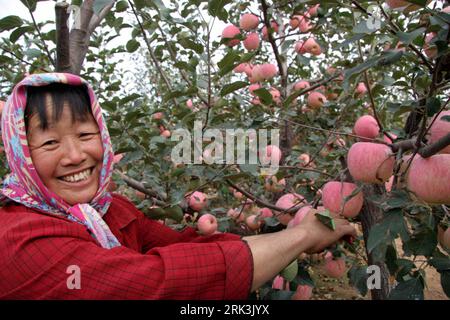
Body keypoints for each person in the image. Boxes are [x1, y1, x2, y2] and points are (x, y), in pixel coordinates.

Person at [0, 73, 355, 299]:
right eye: (49, 144)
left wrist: (292, 234)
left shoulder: (110, 209)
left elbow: (188, 245)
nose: (75, 155)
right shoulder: (19, 242)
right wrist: (301, 237)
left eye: (85, 134)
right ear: (20, 154)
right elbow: (156, 285)